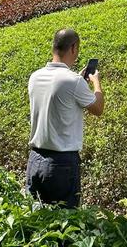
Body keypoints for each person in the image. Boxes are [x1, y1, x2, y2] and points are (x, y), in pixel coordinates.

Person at [25, 28, 104, 208]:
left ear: (54, 47)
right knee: (65, 222)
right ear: (74, 48)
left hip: (35, 159)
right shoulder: (73, 81)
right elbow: (98, 109)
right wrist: (96, 83)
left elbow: (59, 95)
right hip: (61, 164)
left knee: (36, 221)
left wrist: (78, 81)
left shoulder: (35, 77)